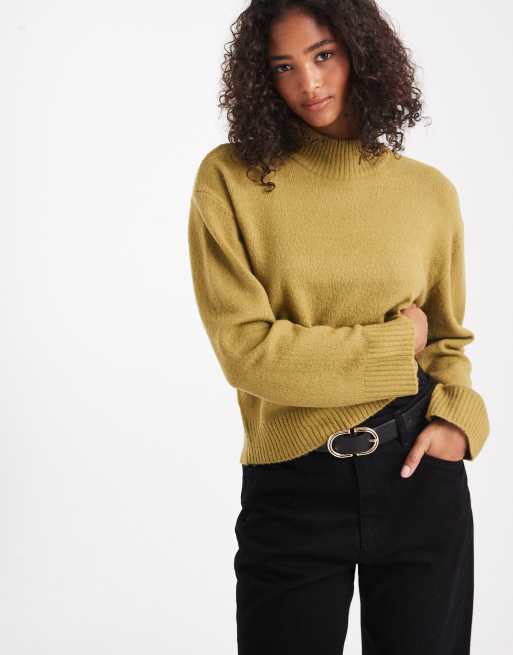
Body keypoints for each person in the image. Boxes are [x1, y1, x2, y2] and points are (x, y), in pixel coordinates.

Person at [187, 1, 490, 653]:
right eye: (283, 66)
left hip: (418, 474)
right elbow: (249, 354)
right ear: (259, 77)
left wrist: (458, 421)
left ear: (361, 53)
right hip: (292, 483)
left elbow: (446, 338)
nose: (309, 83)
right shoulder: (230, 180)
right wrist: (394, 344)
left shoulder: (428, 193)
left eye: (323, 55)